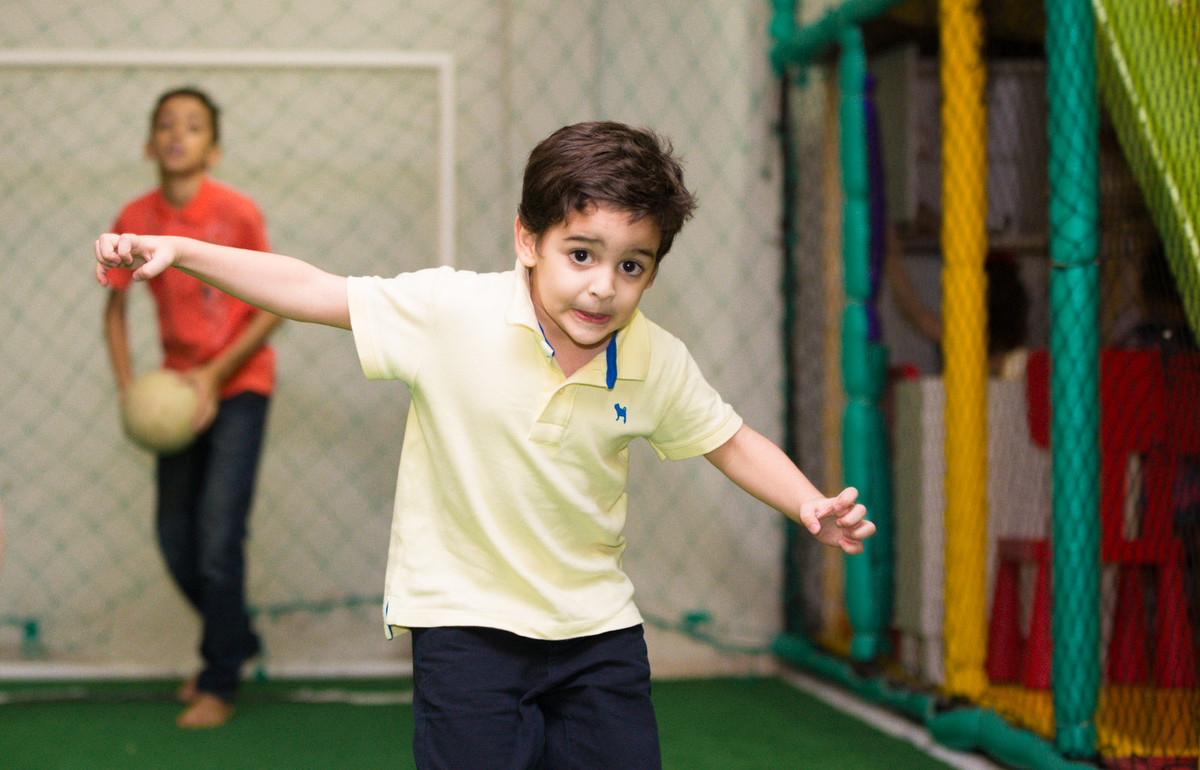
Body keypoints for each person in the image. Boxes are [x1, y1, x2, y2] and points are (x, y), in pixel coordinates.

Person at [94, 121, 874, 767]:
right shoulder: (450, 311)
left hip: (596, 629)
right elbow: (312, 290)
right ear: (527, 239)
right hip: (466, 626)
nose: (604, 285)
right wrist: (184, 251)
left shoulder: (654, 357)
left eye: (631, 266)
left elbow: (729, 439)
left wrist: (808, 501)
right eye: (582, 254)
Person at [101, 87, 282, 728]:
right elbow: (116, 308)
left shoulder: (237, 213)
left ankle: (219, 678)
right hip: (175, 393)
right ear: (150, 144)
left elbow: (272, 305)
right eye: (166, 126)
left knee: (217, 536)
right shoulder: (135, 214)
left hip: (239, 385)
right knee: (175, 538)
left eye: (194, 126)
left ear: (214, 146)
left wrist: (214, 375)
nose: (179, 135)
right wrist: (130, 386)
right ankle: (236, 639)